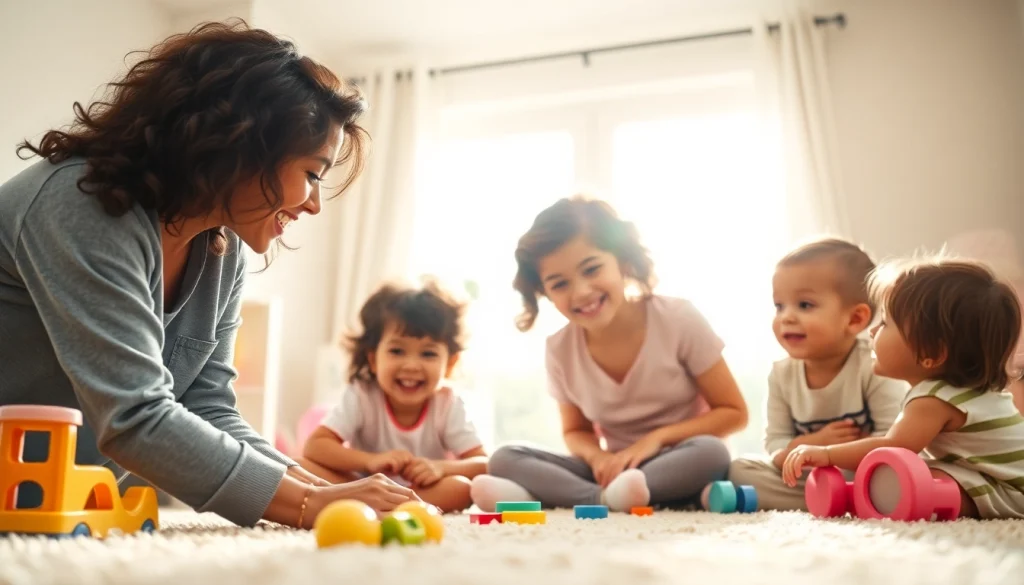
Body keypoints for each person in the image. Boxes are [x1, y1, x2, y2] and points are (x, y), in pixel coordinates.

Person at [0, 20, 418, 529]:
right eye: (312, 173)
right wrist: (312, 507)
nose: (313, 204)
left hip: (65, 505)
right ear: (242, 146)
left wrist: (336, 495)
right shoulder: (80, 204)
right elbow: (137, 420)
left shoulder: (222, 251)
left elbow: (208, 407)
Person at [470, 195, 748, 512]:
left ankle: (556, 496)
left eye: (592, 269)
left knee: (713, 453)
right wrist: (597, 457)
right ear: (543, 293)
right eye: (559, 284)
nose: (582, 292)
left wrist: (657, 439)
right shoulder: (559, 349)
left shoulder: (678, 318)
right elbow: (576, 431)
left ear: (623, 261)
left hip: (679, 458)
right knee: (505, 458)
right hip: (615, 469)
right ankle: (603, 498)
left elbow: (734, 412)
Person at [782, 258, 1024, 519]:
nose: (873, 330)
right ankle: (859, 495)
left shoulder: (933, 399)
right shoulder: (962, 392)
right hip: (998, 478)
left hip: (1013, 490)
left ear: (931, 352)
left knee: (911, 472)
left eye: (885, 323)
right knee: (914, 471)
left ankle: (855, 497)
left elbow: (894, 446)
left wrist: (827, 454)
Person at [726, 238, 908, 510]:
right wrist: (810, 444)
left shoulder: (875, 366)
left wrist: (834, 454)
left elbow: (893, 439)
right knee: (740, 469)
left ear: (855, 319)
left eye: (804, 305)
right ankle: (839, 500)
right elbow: (775, 444)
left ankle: (838, 497)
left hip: (858, 469)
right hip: (804, 474)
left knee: (894, 472)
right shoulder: (781, 374)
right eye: (779, 306)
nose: (786, 317)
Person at [300, 280, 488, 513]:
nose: (411, 365)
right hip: (360, 485)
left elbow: (483, 464)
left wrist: (440, 468)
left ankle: (374, 508)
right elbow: (315, 447)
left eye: (428, 354)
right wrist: (369, 461)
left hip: (420, 491)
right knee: (298, 467)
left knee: (460, 488)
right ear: (373, 359)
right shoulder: (362, 394)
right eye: (397, 351)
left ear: (449, 364)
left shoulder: (447, 403)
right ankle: (377, 504)